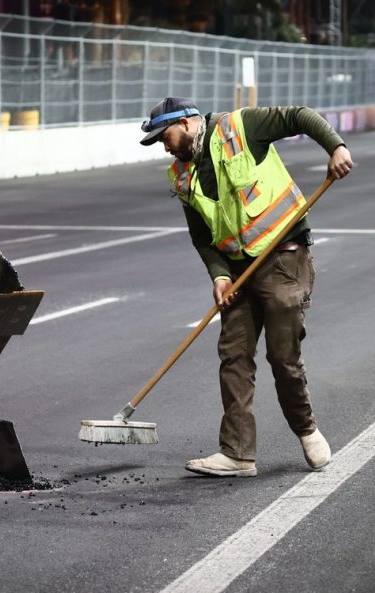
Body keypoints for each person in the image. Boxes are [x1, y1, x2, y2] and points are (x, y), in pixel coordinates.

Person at [140, 97, 354, 477]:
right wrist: (220, 276)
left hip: (283, 259)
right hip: (239, 271)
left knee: (281, 356)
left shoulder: (241, 127)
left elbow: (299, 116)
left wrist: (335, 147)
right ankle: (238, 453)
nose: (165, 145)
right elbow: (202, 237)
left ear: (187, 123)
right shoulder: (181, 175)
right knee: (234, 356)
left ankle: (307, 431)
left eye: (166, 136)